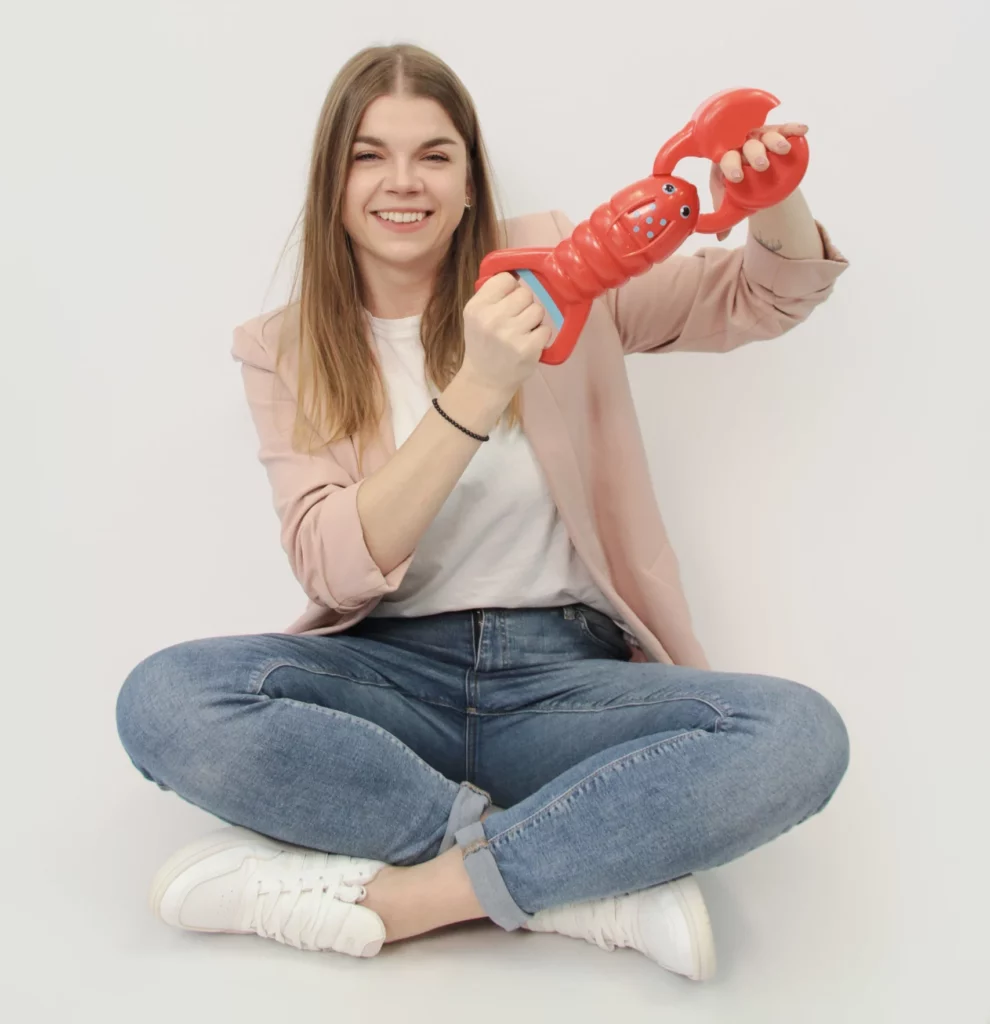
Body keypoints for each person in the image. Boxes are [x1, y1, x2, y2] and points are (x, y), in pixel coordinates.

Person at [116, 43, 851, 982]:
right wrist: (477, 387)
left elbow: (762, 294)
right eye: (370, 156)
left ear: (470, 182)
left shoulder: (561, 266)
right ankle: (581, 879)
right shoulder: (282, 348)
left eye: (434, 155)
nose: (403, 182)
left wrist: (774, 198)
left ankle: (416, 898)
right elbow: (331, 568)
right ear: (331, 181)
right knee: (167, 699)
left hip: (566, 688)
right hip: (389, 684)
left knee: (797, 736)